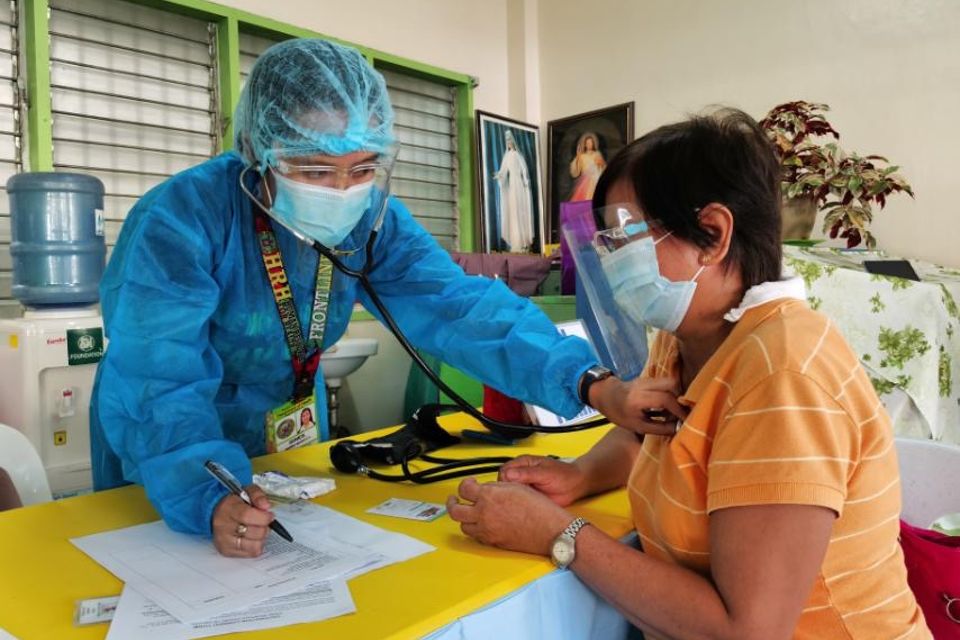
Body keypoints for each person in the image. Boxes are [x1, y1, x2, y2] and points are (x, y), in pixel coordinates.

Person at [89, 39, 651, 559]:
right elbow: (158, 376)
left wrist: (590, 382)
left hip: (282, 429)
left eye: (361, 169)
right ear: (260, 152)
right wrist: (203, 490)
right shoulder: (181, 221)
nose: (340, 192)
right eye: (314, 169)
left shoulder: (372, 220)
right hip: (165, 437)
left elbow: (457, 307)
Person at [448, 109, 930, 639]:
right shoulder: (686, 337)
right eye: (607, 238)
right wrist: (580, 475)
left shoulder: (783, 373)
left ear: (713, 233)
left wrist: (559, 535)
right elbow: (652, 433)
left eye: (627, 233)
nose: (612, 257)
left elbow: (747, 631)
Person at [492, 129, 534, 252]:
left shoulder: (517, 155)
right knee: (513, 211)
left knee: (520, 210)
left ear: (514, 142)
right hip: (511, 186)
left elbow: (524, 169)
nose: (509, 143)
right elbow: (503, 171)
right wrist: (498, 175)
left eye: (510, 141)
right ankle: (515, 242)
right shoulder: (507, 156)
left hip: (519, 185)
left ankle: (522, 241)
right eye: (507, 142)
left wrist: (525, 180)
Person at [568, 131, 605, 202]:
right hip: (584, 182)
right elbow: (576, 171)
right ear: (585, 145)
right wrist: (578, 155)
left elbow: (603, 168)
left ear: (593, 144)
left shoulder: (597, 154)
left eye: (591, 143)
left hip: (595, 181)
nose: (589, 144)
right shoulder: (582, 156)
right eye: (587, 143)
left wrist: (600, 164)